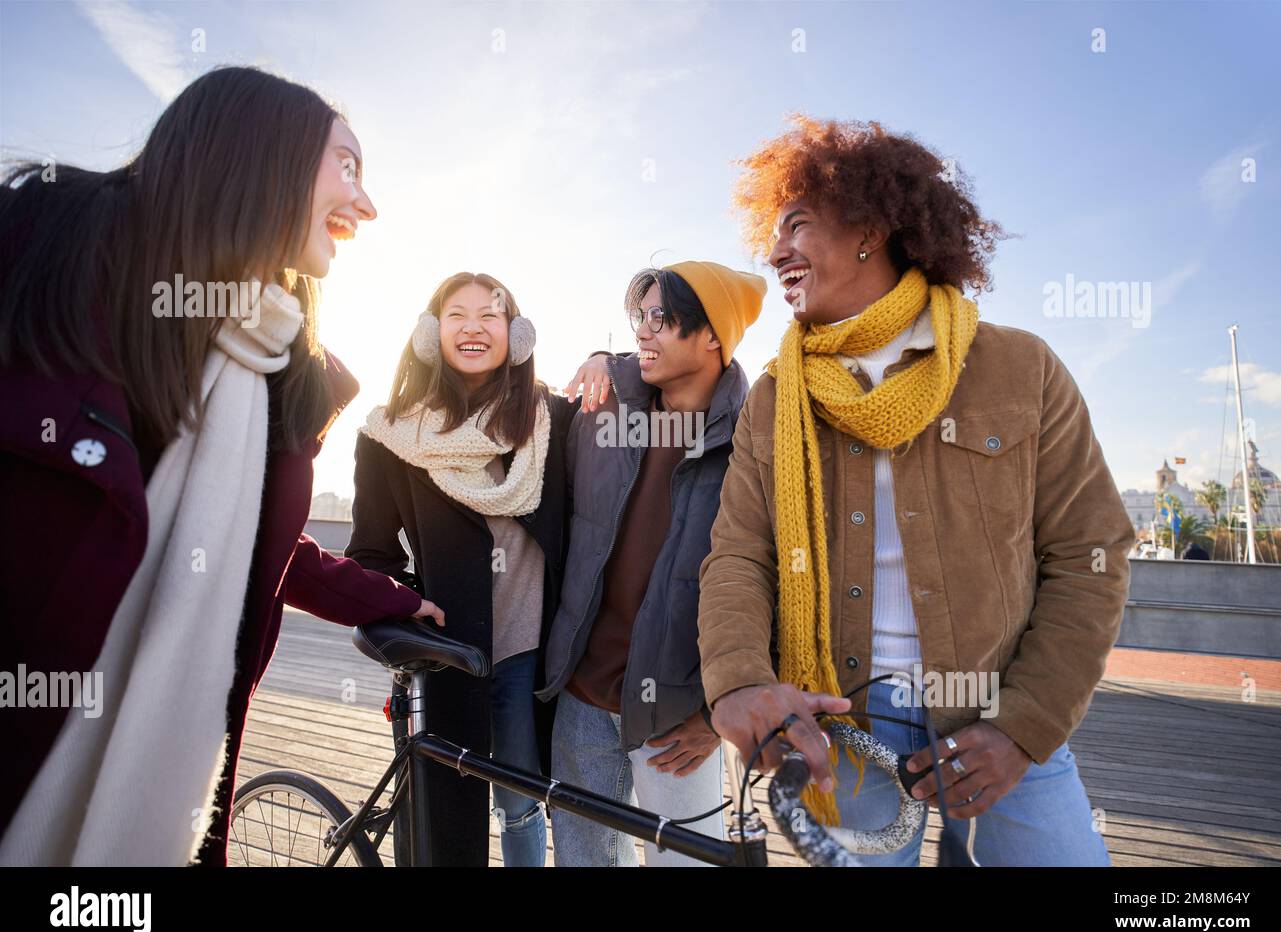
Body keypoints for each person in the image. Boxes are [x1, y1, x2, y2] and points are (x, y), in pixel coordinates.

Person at [0, 66, 439, 866]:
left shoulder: (268, 362)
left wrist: (392, 598)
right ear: (259, 150)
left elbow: (253, 550)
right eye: (348, 166)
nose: (366, 205)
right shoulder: (28, 257)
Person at [698, 115, 1134, 865]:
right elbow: (740, 555)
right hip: (843, 731)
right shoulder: (774, 398)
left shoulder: (1021, 368)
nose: (774, 253)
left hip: (1004, 713)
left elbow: (1090, 553)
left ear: (869, 228)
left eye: (796, 225)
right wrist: (737, 679)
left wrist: (1021, 729)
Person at [347, 272, 578, 866]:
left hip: (529, 650)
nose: (474, 327)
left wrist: (606, 356)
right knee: (444, 813)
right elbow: (372, 555)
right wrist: (407, 608)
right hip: (449, 653)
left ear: (516, 334)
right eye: (457, 314)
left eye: (490, 315)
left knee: (523, 799)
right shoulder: (391, 435)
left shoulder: (549, 420)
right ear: (431, 332)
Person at [542, 261, 764, 865]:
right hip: (582, 701)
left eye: (661, 318)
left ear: (714, 334)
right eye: (638, 316)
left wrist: (715, 719)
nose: (643, 331)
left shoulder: (753, 444)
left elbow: (780, 591)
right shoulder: (604, 411)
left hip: (677, 717)